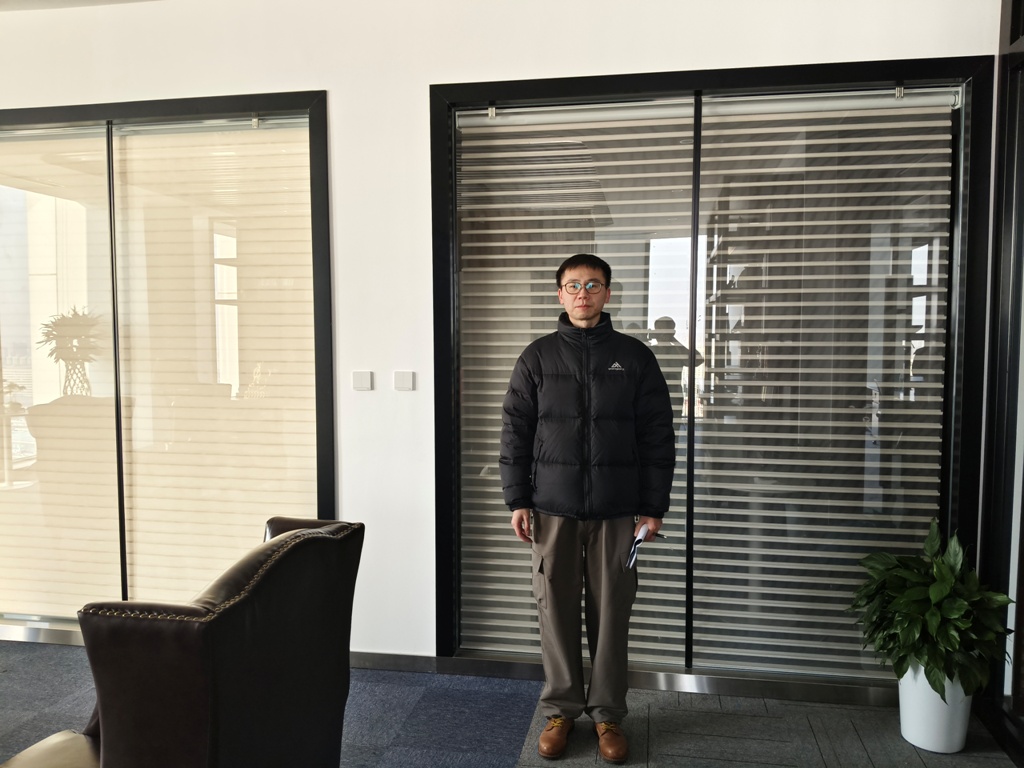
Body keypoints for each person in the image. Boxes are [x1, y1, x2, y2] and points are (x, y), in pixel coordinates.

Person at [499, 254, 675, 764]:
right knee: (554, 612)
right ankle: (560, 711)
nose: (583, 293)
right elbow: (515, 433)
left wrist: (653, 507)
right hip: (551, 510)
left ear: (607, 293)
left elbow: (658, 436)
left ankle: (607, 716)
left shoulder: (634, 357)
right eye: (573, 285)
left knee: (612, 613)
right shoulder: (536, 357)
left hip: (618, 513)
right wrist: (517, 499)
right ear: (560, 294)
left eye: (593, 284)